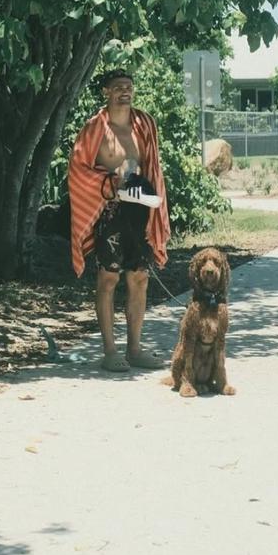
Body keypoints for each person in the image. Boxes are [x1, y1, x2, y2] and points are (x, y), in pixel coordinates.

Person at [68, 69, 171, 372]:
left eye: (128, 87)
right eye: (117, 88)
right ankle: (110, 351)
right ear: (106, 92)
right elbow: (77, 170)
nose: (124, 92)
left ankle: (135, 349)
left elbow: (153, 166)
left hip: (140, 211)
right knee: (108, 278)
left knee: (139, 279)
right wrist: (109, 185)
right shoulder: (94, 129)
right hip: (110, 212)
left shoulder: (144, 124)